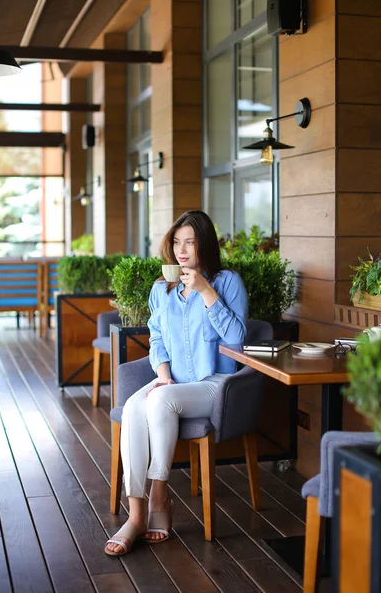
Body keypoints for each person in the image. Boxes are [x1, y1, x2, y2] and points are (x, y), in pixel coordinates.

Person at [105, 210, 249, 556]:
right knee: (134, 406)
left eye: (190, 242)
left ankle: (159, 495)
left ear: (205, 245)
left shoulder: (228, 282)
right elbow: (156, 338)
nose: (182, 250)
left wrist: (205, 290)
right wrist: (164, 373)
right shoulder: (161, 289)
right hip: (175, 381)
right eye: (177, 242)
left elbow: (237, 339)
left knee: (158, 401)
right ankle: (137, 513)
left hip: (216, 383)